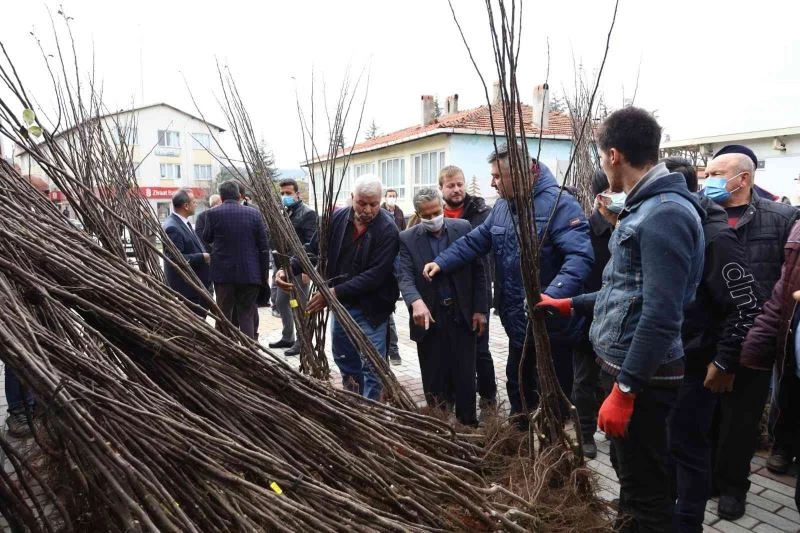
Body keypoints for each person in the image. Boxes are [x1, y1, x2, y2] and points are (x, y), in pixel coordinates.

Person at [536, 107, 705, 532]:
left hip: (644, 379)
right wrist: (572, 304)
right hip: (627, 368)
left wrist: (625, 390)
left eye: (598, 156)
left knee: (646, 490)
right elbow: (626, 289)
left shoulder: (664, 212)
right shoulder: (643, 207)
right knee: (632, 477)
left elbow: (662, 315)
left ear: (613, 154)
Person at [422, 143, 593, 425]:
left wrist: (551, 296)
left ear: (524, 174)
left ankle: (555, 440)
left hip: (551, 322)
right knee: (518, 379)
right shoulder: (502, 206)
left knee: (553, 386)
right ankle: (521, 431)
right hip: (517, 319)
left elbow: (579, 257)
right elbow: (477, 240)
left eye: (498, 177)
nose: (492, 183)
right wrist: (443, 261)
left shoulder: (560, 205)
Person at [661, 156, 763, 533]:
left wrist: (723, 361)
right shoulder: (679, 224)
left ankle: (688, 522)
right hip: (673, 356)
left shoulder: (715, 236)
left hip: (698, 359)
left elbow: (747, 303)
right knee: (671, 443)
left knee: (688, 445)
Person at [703, 144, 800, 520]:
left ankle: (734, 487)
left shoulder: (780, 218)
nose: (708, 181)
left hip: (754, 342)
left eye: (716, 174)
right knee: (706, 416)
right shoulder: (699, 213)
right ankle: (709, 477)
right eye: (707, 174)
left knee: (740, 422)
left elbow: (783, 282)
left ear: (742, 179)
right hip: (707, 337)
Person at [276, 175, 399, 400]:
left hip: (372, 308)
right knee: (344, 358)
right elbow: (313, 249)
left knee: (373, 365)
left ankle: (374, 414)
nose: (369, 209)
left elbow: (375, 275)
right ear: (352, 198)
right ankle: (354, 403)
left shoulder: (388, 228)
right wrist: (288, 268)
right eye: (362, 203)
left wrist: (332, 293)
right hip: (342, 304)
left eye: (374, 204)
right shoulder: (336, 219)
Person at [397, 187, 486, 425]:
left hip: (462, 314)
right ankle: (438, 426)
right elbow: (404, 276)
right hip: (429, 319)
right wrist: (415, 302)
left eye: (436, 212)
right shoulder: (407, 239)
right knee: (434, 379)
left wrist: (480, 309)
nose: (432, 219)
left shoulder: (463, 228)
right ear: (417, 214)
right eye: (426, 216)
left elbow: (479, 271)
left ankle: (468, 425)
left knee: (465, 376)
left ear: (442, 208)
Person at [740, 230, 800, 515]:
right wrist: (752, 349)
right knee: (788, 403)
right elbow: (781, 298)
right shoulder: (798, 235)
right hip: (792, 357)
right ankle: (784, 447)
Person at [439, 165, 497, 414]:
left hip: (476, 292)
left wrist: (482, 306)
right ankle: (453, 392)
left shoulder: (481, 214)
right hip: (447, 296)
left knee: (480, 349)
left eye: (460, 184)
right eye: (451, 185)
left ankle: (488, 396)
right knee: (452, 349)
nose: (457, 189)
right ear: (441, 188)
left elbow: (483, 264)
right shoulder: (436, 216)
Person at [570, 168, 619, 459]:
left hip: (619, 321)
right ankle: (585, 432)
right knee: (583, 380)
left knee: (612, 380)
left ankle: (612, 431)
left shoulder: (631, 226)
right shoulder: (583, 231)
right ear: (602, 197)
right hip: (588, 318)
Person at [200, 180, 270, 340]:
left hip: (223, 275)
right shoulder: (254, 214)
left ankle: (228, 353)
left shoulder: (212, 214)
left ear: (221, 196)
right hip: (250, 274)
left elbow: (206, 237)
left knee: (224, 314)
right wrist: (264, 274)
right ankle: (250, 352)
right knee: (247, 314)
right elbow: (263, 247)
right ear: (240, 196)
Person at [269, 178, 318, 357]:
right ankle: (287, 335)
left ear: (297, 194)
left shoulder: (307, 214)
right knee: (282, 301)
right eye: (282, 193)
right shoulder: (285, 213)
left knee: (300, 305)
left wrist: (307, 268)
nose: (285, 196)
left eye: (288, 193)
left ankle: (302, 340)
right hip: (284, 266)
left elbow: (312, 244)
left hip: (298, 267)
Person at [162, 188, 212, 317]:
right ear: (186, 205)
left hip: (197, 287)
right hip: (188, 290)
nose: (196, 204)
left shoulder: (183, 223)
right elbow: (175, 258)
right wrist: (202, 257)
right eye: (193, 202)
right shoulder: (173, 227)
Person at [381, 188, 405, 366]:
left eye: (393, 196)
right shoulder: (380, 213)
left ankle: (394, 351)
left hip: (387, 284)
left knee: (388, 320)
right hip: (376, 284)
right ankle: (387, 356)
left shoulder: (399, 213)